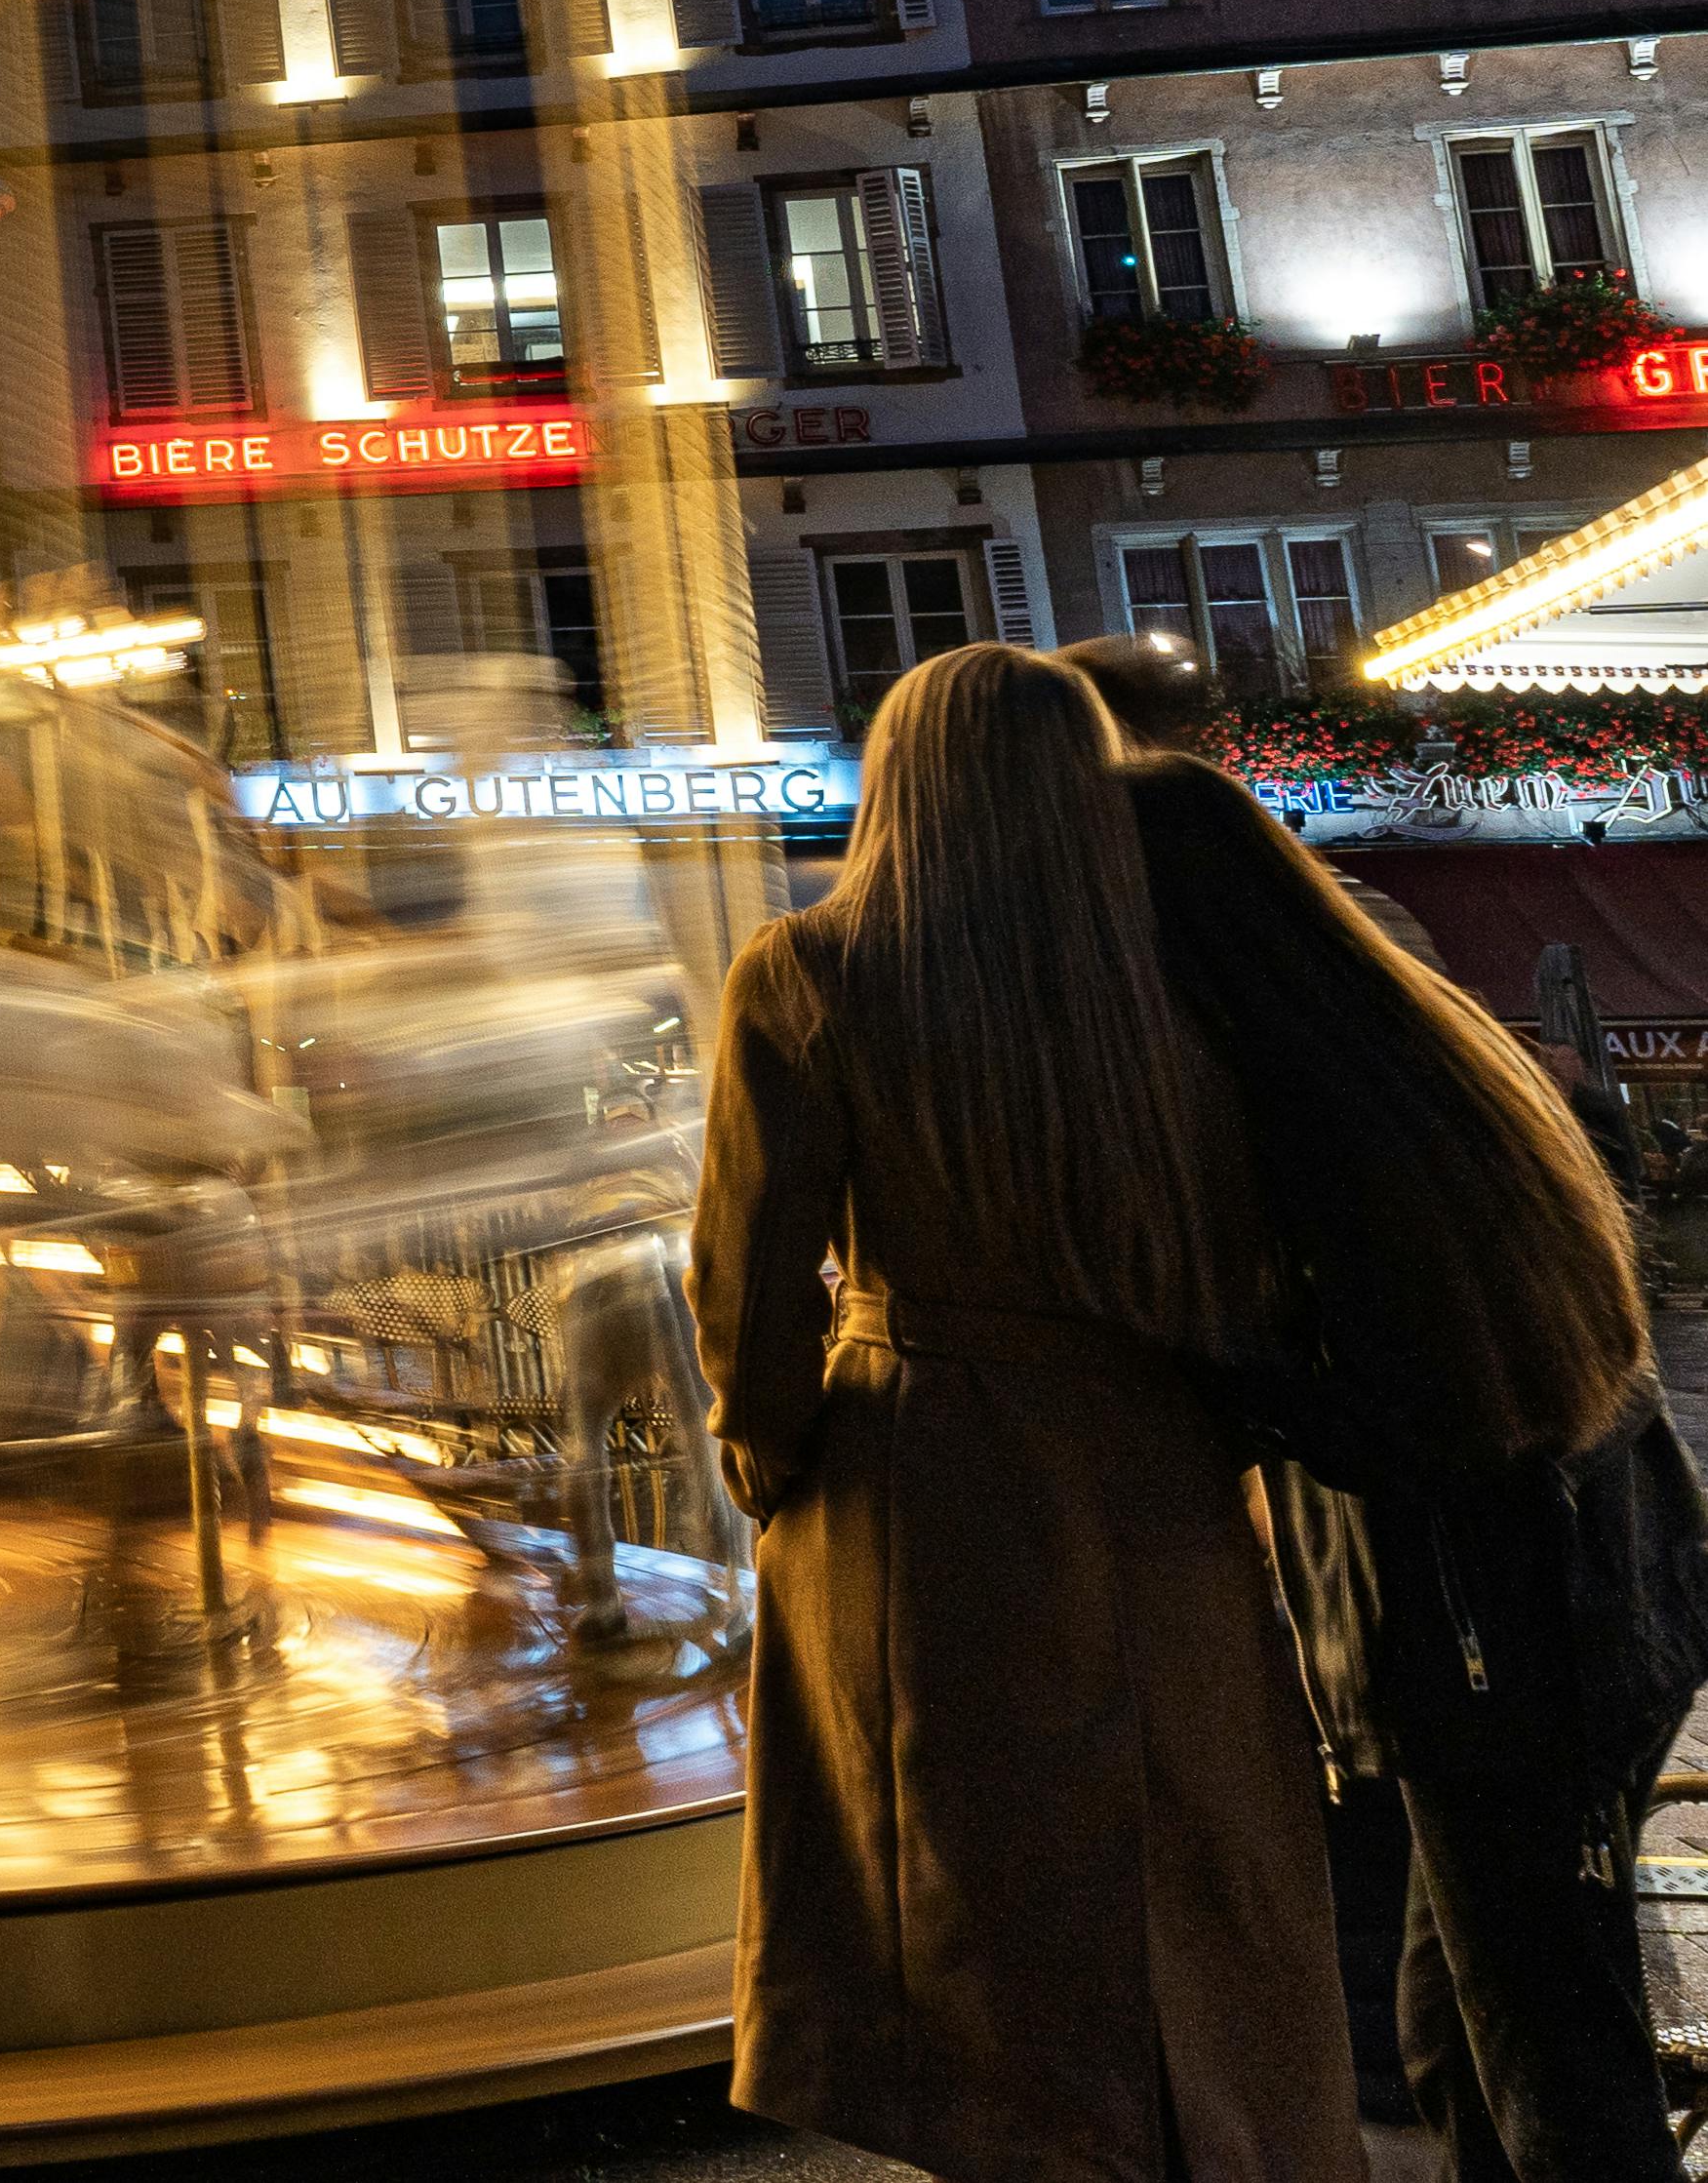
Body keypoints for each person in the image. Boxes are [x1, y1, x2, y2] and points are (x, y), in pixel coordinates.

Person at [695, 643, 1359, 2182]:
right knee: (1193, 1849)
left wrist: (771, 1448)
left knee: (974, 1887)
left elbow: (750, 1273)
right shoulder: (1177, 984)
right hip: (1159, 1465)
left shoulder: (811, 970)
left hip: (927, 1477)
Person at [1110, 694, 1708, 2183]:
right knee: (1462, 2037)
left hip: (1509, 1642)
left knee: (1548, 2061)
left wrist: (1208, 1377)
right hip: (1586, 1602)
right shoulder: (1411, 1052)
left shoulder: (1324, 1126)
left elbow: (1425, 1409)